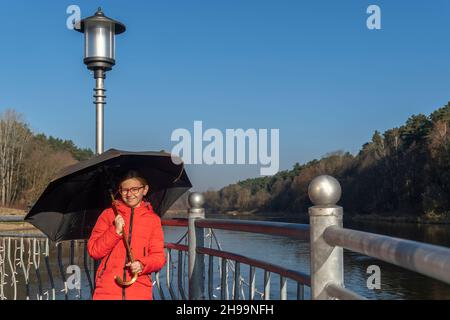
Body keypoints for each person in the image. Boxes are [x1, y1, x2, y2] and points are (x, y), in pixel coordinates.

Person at [88, 170, 165, 300]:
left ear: (145, 190)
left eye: (135, 189)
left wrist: (142, 264)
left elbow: (159, 257)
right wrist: (115, 231)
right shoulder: (108, 215)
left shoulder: (153, 220)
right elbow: (94, 251)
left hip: (139, 291)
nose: (129, 194)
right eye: (124, 190)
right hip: (107, 289)